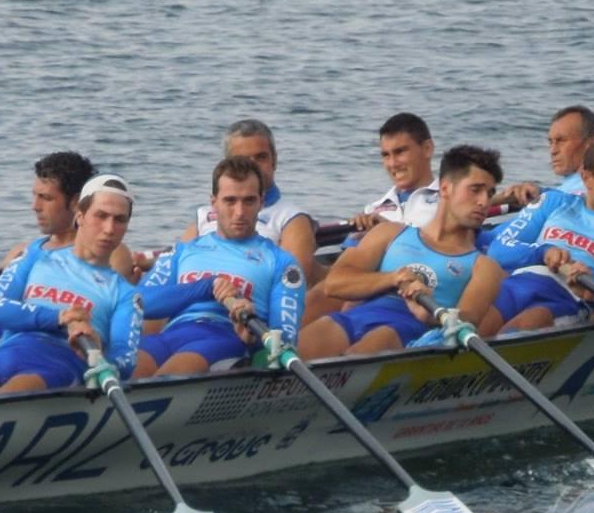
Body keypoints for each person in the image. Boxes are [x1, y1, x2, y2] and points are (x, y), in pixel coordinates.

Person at [298, 145, 506, 357]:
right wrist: (394, 278)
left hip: (408, 331)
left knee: (376, 341)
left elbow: (467, 320)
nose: (484, 202)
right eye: (475, 190)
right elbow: (334, 284)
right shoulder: (388, 233)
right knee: (304, 345)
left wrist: (428, 315)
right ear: (445, 189)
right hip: (356, 318)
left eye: (490, 193)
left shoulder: (484, 267)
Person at [0, 175, 142, 395]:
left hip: (58, 366)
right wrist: (60, 318)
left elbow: (125, 362)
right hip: (7, 354)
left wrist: (98, 348)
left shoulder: (126, 294)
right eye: (101, 216)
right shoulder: (35, 256)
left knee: (10, 395)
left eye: (119, 220)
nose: (109, 229)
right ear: (80, 216)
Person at [135, 157, 305, 376]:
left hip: (224, 338)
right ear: (213, 203)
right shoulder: (181, 251)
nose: (239, 212)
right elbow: (137, 302)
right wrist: (208, 287)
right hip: (170, 335)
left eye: (249, 201)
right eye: (230, 201)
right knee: (127, 370)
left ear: (261, 202)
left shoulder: (282, 263)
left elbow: (284, 342)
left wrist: (253, 340)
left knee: (166, 377)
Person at [481, 139, 594, 333]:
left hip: (567, 298)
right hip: (520, 284)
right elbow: (497, 250)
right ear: (586, 177)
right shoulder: (553, 202)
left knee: (527, 324)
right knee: (481, 323)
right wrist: (544, 252)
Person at [179, 118, 323, 298]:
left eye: (261, 157)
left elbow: (292, 284)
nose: (254, 165)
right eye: (243, 159)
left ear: (274, 161)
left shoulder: (291, 218)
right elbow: (177, 262)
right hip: (195, 294)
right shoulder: (204, 214)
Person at [493, 105, 594, 210]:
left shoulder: (593, 187)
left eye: (561, 141)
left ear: (591, 144)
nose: (553, 151)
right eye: (551, 142)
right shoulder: (566, 189)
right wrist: (538, 192)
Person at [348, 112, 439, 232]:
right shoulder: (371, 211)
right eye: (386, 155)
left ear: (427, 149)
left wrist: (390, 231)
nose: (392, 164)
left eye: (400, 152)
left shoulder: (450, 201)